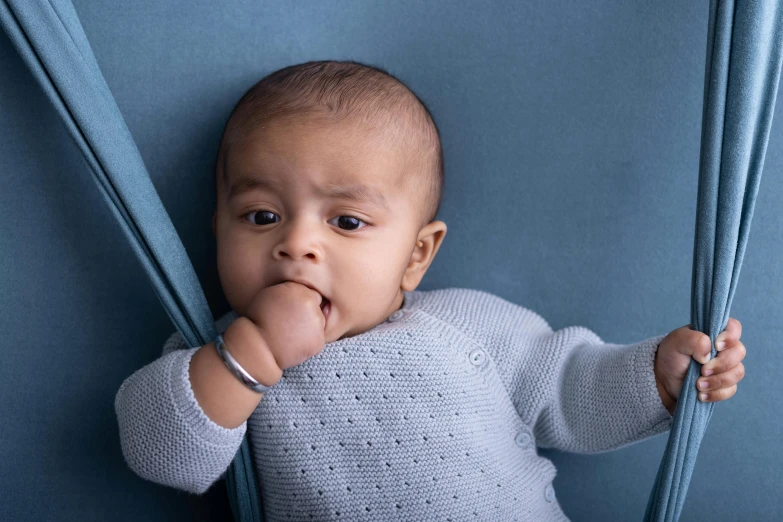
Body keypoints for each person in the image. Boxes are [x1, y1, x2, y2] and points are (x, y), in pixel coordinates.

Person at [114, 60, 746, 521]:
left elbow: (571, 390)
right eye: (260, 216)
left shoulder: (465, 323)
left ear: (416, 255)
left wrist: (657, 378)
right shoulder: (217, 358)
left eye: (347, 222)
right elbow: (162, 453)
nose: (297, 244)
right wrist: (252, 352)